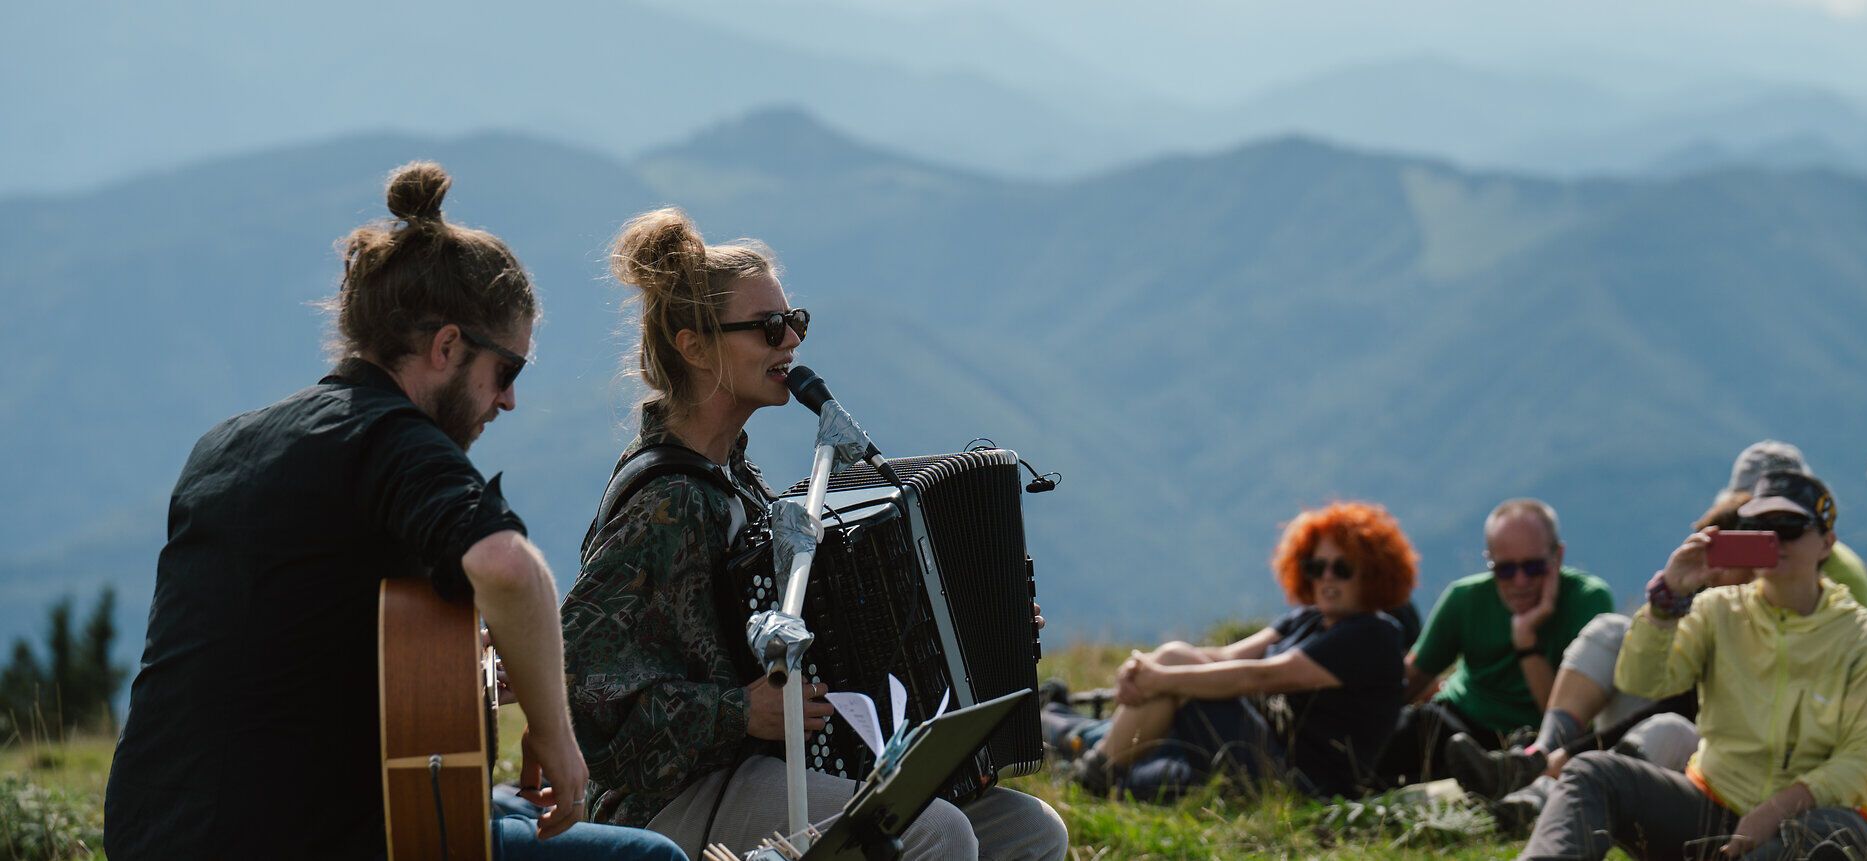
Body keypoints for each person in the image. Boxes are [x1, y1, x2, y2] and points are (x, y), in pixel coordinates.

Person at [103, 164, 685, 861]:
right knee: (650, 857)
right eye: (508, 372)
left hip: (152, 831)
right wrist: (553, 733)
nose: (509, 401)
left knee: (498, 803)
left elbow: (293, 648)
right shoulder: (391, 439)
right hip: (303, 838)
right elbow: (506, 567)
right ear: (446, 347)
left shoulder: (228, 443)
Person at [561, 208, 1069, 861]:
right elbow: (584, 681)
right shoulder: (668, 503)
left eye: (795, 320)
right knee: (936, 833)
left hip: (754, 765)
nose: (790, 341)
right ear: (694, 345)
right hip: (670, 797)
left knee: (1030, 831)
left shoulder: (733, 477)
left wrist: (985, 627)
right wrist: (738, 713)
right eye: (769, 327)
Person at [1516, 471, 1867, 861]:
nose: (1773, 539)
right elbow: (1642, 679)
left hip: (1807, 818)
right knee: (1592, 773)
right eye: (1758, 527)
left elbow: (1861, 761)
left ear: (1827, 543)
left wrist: (1773, 812)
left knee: (1837, 835)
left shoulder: (1862, 637)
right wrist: (1669, 600)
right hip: (1710, 802)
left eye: (1790, 527)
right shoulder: (1718, 609)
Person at [1063, 501, 1417, 802]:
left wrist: (1161, 677)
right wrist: (1146, 667)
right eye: (1315, 566)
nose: (1326, 578)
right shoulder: (1308, 620)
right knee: (1172, 662)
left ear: (1372, 574)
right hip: (1254, 755)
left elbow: (1262, 675)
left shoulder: (1373, 635)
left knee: (1174, 667)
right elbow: (1230, 657)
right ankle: (1098, 770)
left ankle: (1093, 773)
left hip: (1303, 786)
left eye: (1341, 568)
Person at [1450, 490, 1756, 834]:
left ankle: (1545, 790)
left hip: (1711, 760)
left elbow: (1684, 703)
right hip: (1651, 737)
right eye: (1710, 551)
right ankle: (1536, 758)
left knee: (1667, 727)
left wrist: (1568, 757)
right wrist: (1671, 596)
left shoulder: (1794, 615)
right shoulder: (1714, 603)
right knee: (1611, 631)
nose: (1714, 570)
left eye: (1731, 553)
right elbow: (1650, 681)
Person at [1374, 498, 1613, 785]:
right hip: (1457, 723)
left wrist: (1526, 641)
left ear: (1557, 557)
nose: (1521, 581)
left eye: (1533, 567)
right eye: (1506, 570)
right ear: (1490, 561)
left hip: (1540, 740)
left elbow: (1561, 716)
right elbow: (1411, 679)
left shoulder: (1588, 601)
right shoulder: (1464, 598)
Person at [1731, 441, 1867, 609]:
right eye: (1755, 524)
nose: (1772, 538)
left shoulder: (1842, 575)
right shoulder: (1715, 563)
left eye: (1789, 525)